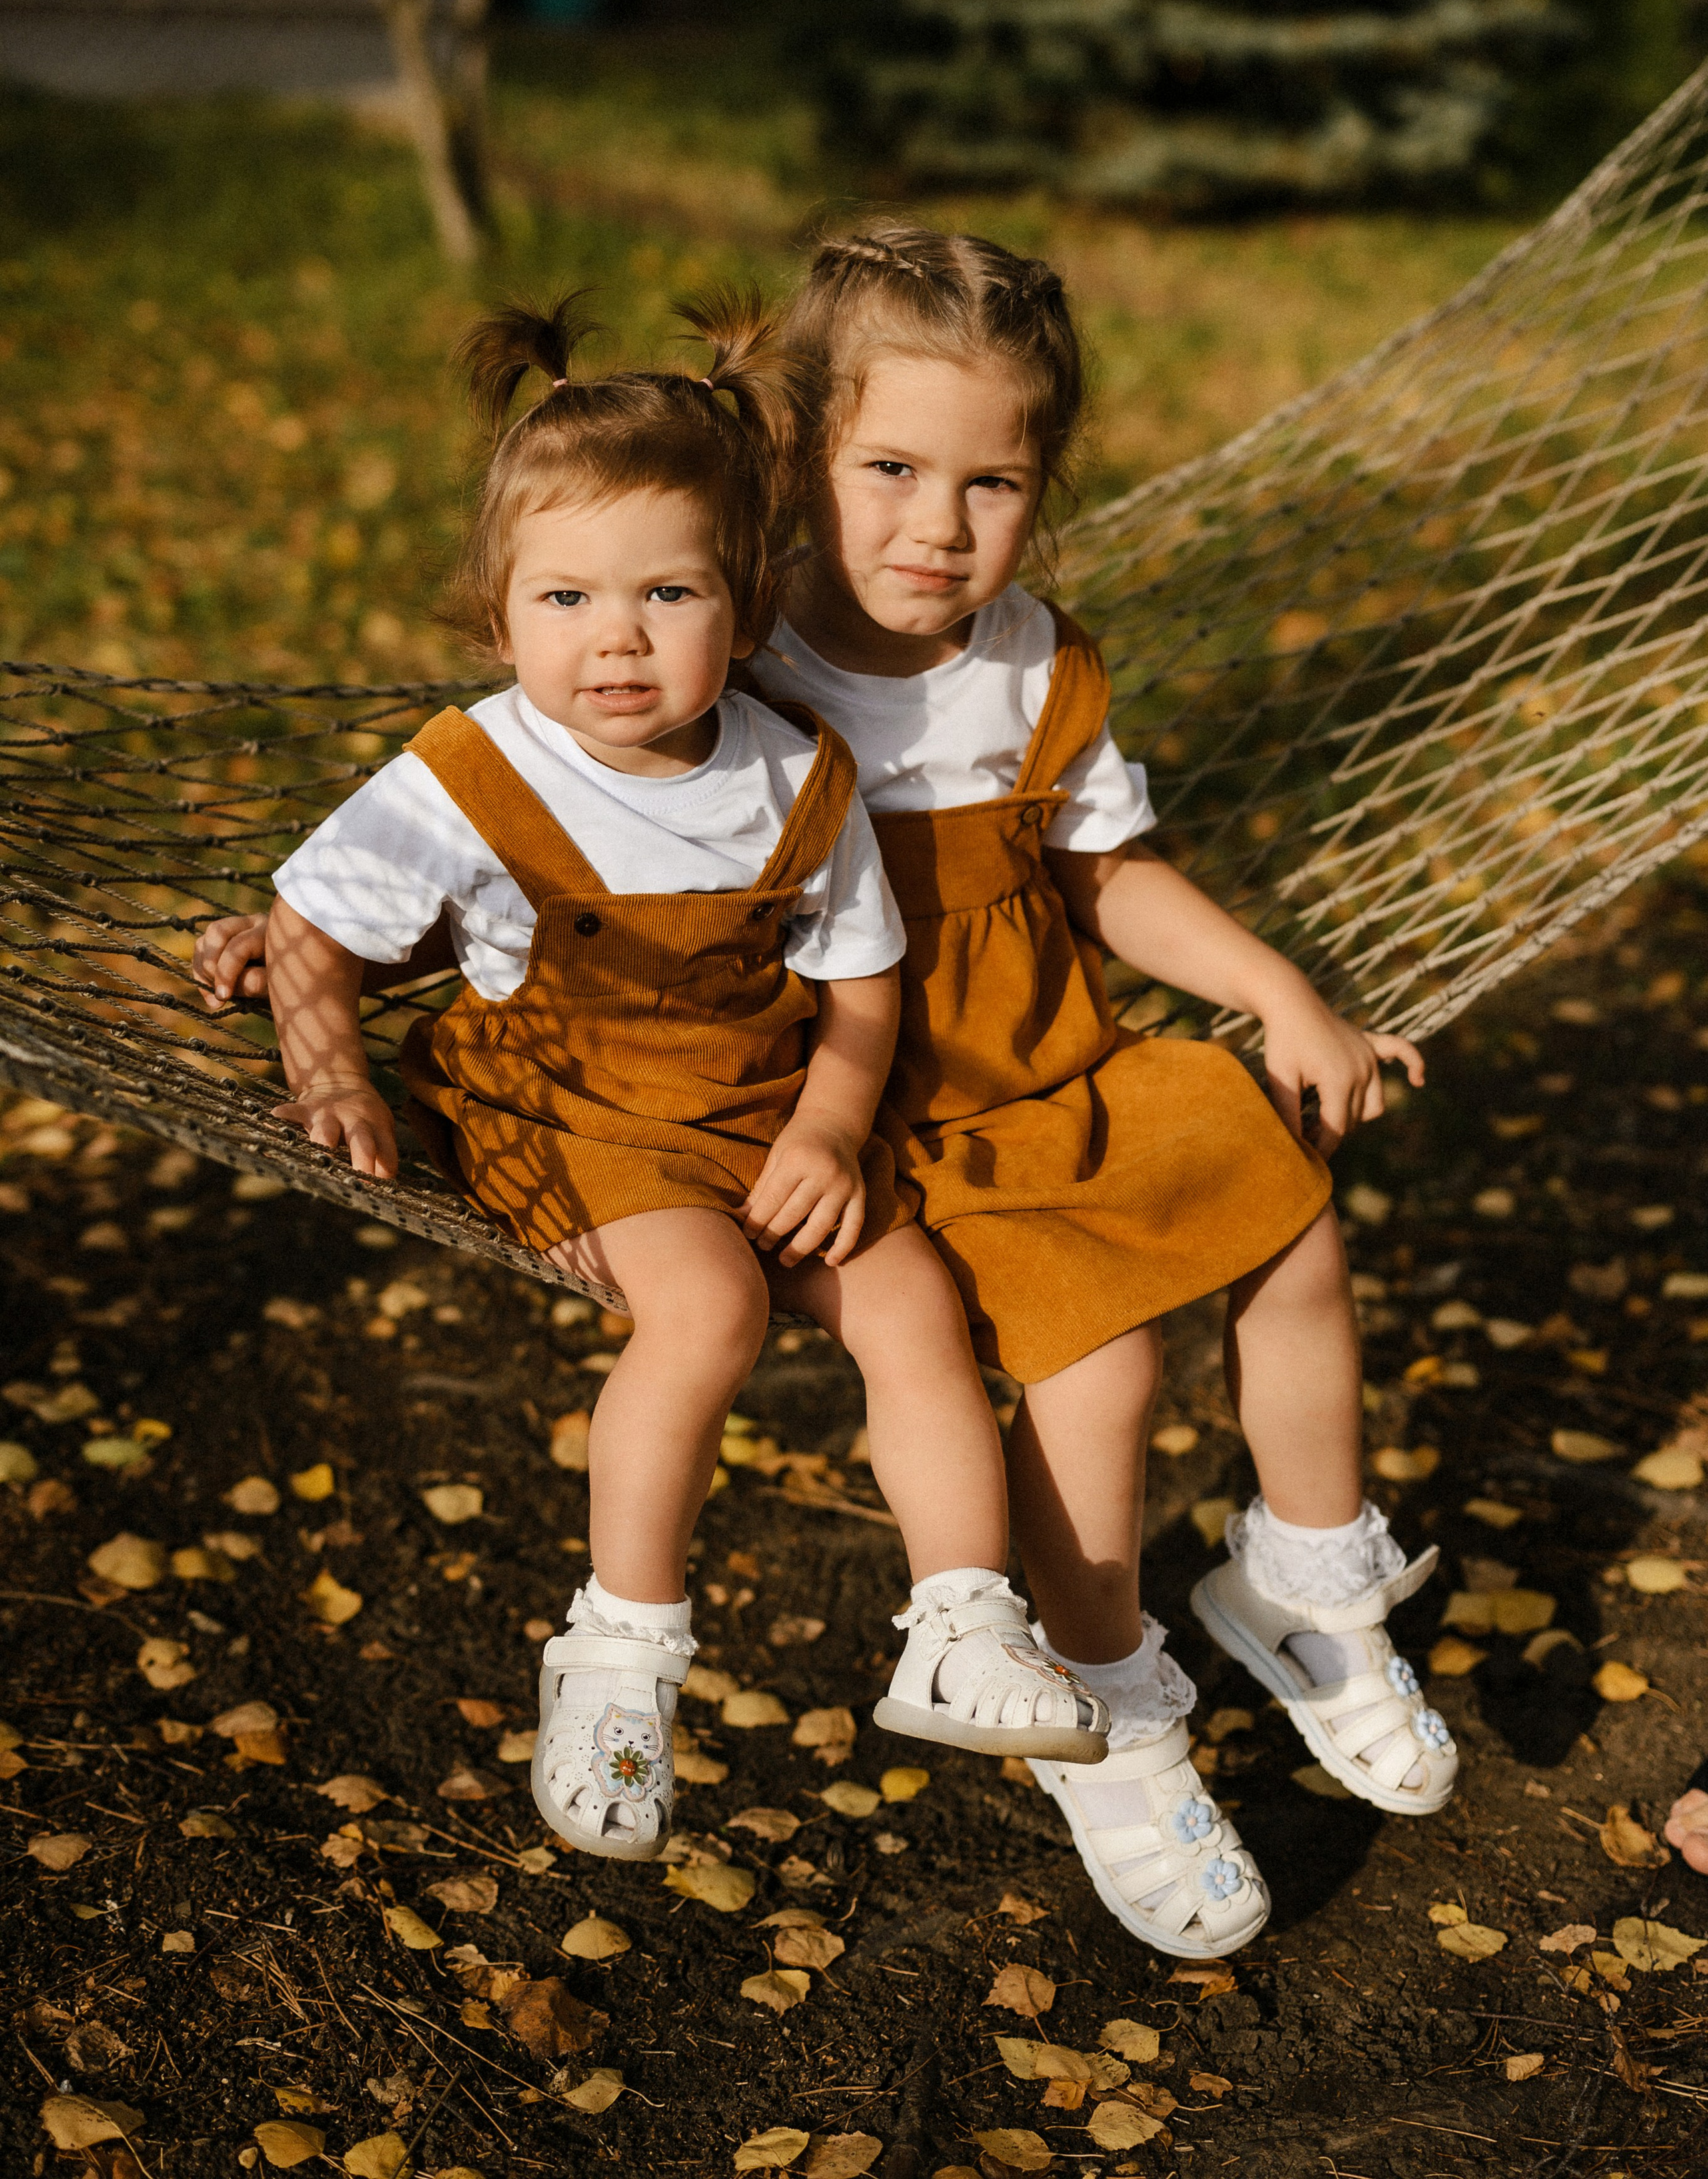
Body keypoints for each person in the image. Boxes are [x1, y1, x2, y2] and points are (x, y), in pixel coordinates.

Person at [254, 287, 1109, 1866]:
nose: (617, 639)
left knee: (910, 1298)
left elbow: (859, 978)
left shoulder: (795, 765)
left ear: (745, 604)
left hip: (757, 1109)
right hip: (565, 1113)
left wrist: (837, 1130)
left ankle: (961, 1620)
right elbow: (310, 930)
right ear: (497, 610)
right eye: (565, 597)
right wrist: (333, 1074)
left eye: (667, 593)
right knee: (709, 1308)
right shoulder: (470, 770)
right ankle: (619, 1651)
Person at [735, 226, 1458, 1957]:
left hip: (1070, 1065)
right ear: (800, 459)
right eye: (892, 468)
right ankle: (1109, 1702)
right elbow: (549, 815)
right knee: (1108, 1362)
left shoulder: (1037, 661)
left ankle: (1299, 1572)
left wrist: (1282, 992)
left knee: (1286, 1206)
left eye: (995, 481)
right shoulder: (736, 665)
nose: (940, 525)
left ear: (1042, 490)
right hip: (896, 1122)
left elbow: (1108, 878)